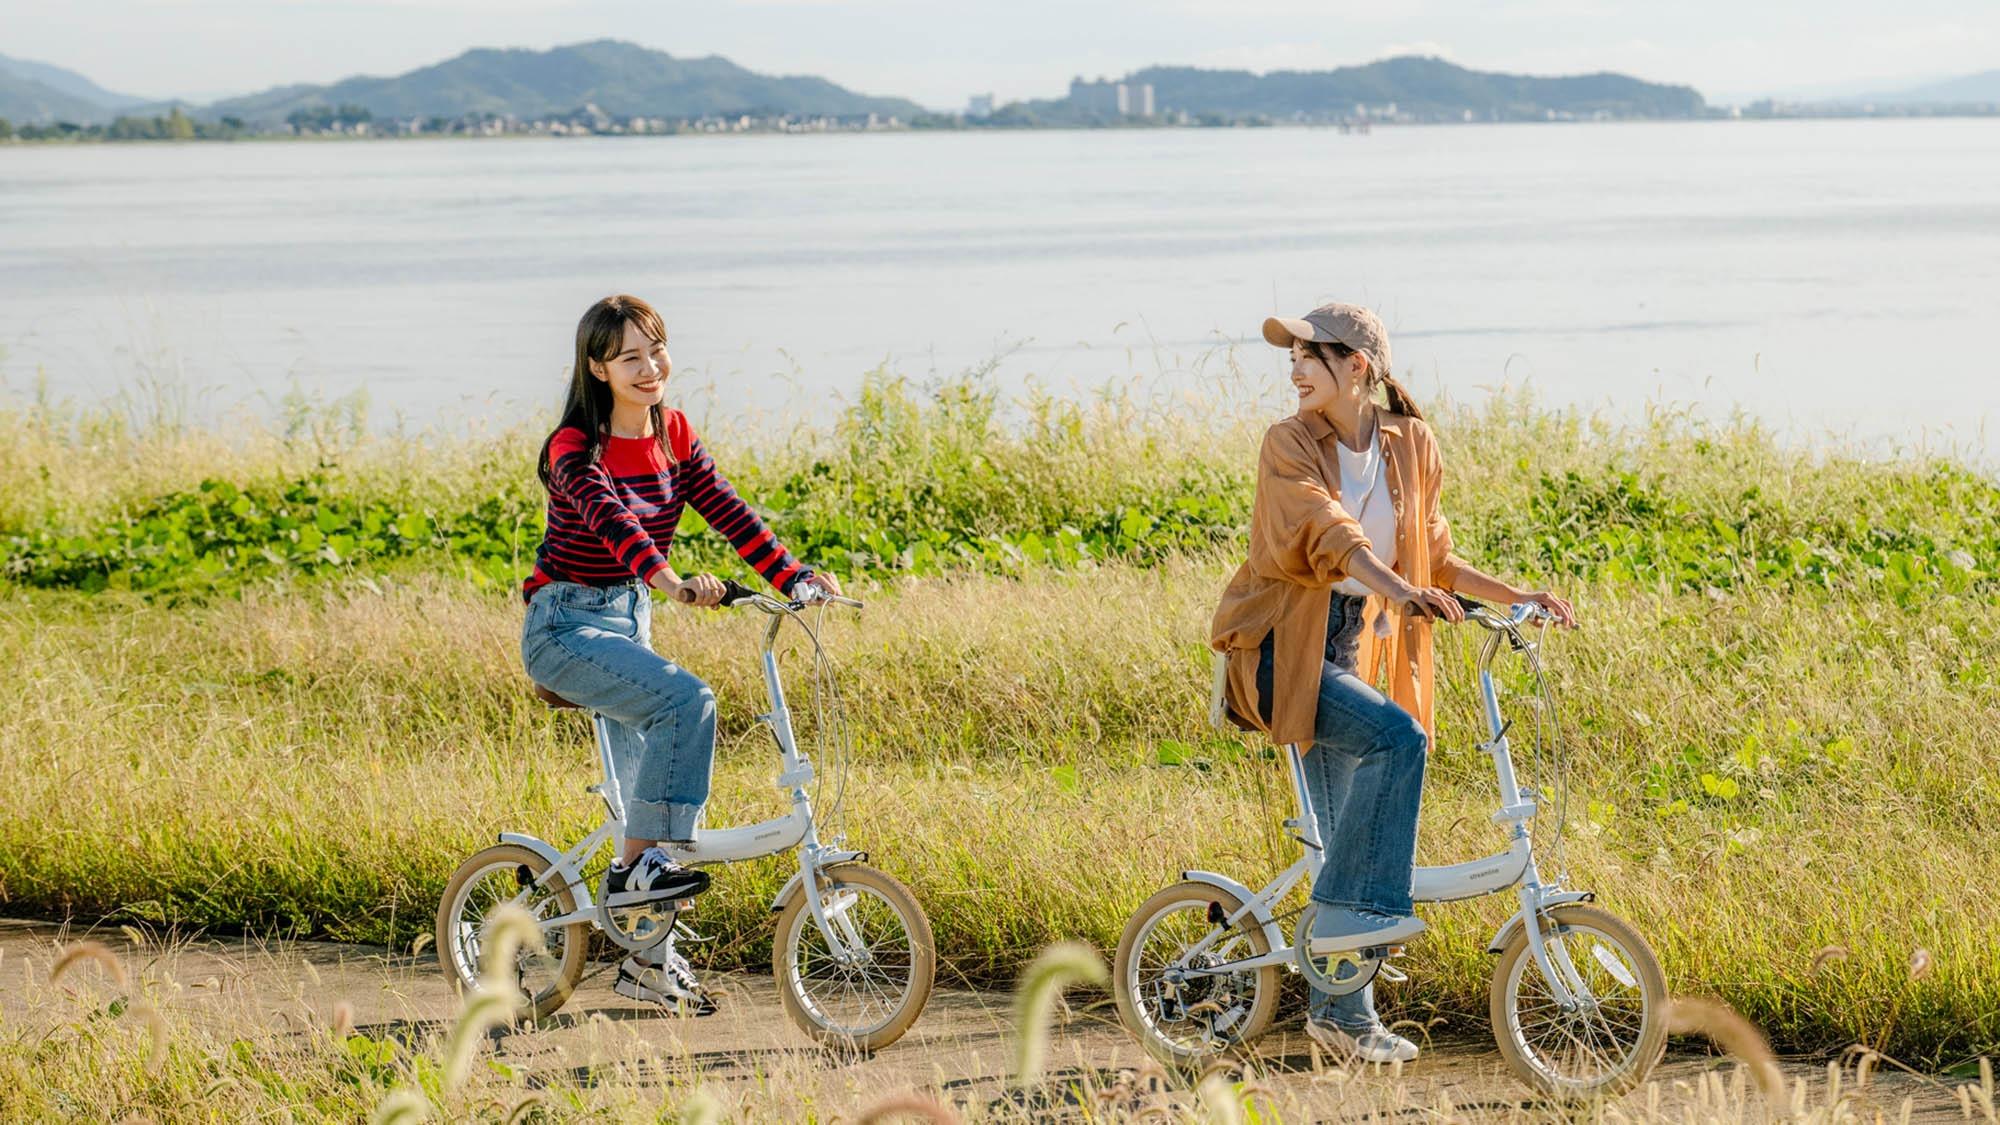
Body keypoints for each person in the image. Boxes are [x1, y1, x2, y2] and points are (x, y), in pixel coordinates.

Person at [1209, 303, 1573, 1063]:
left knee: (1343, 836)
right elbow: (1327, 533)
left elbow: (1431, 554)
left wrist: (1519, 595)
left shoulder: (1411, 445)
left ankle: (1341, 1018)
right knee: (1397, 740)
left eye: (1314, 355)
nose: (1297, 368)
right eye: (1294, 357)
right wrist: (1397, 589)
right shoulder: (1288, 444)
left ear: (1360, 368)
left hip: (1350, 651)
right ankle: (1368, 911)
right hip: (1281, 650)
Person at [522, 294, 841, 1013]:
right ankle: (638, 877)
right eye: (630, 355)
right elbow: (613, 521)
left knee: (652, 808)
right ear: (598, 367)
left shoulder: (674, 435)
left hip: (628, 625)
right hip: (564, 627)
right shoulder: (574, 447)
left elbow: (729, 510)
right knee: (687, 701)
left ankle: (645, 961)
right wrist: (665, 578)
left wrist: (793, 576)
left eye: (657, 349)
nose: (649, 366)